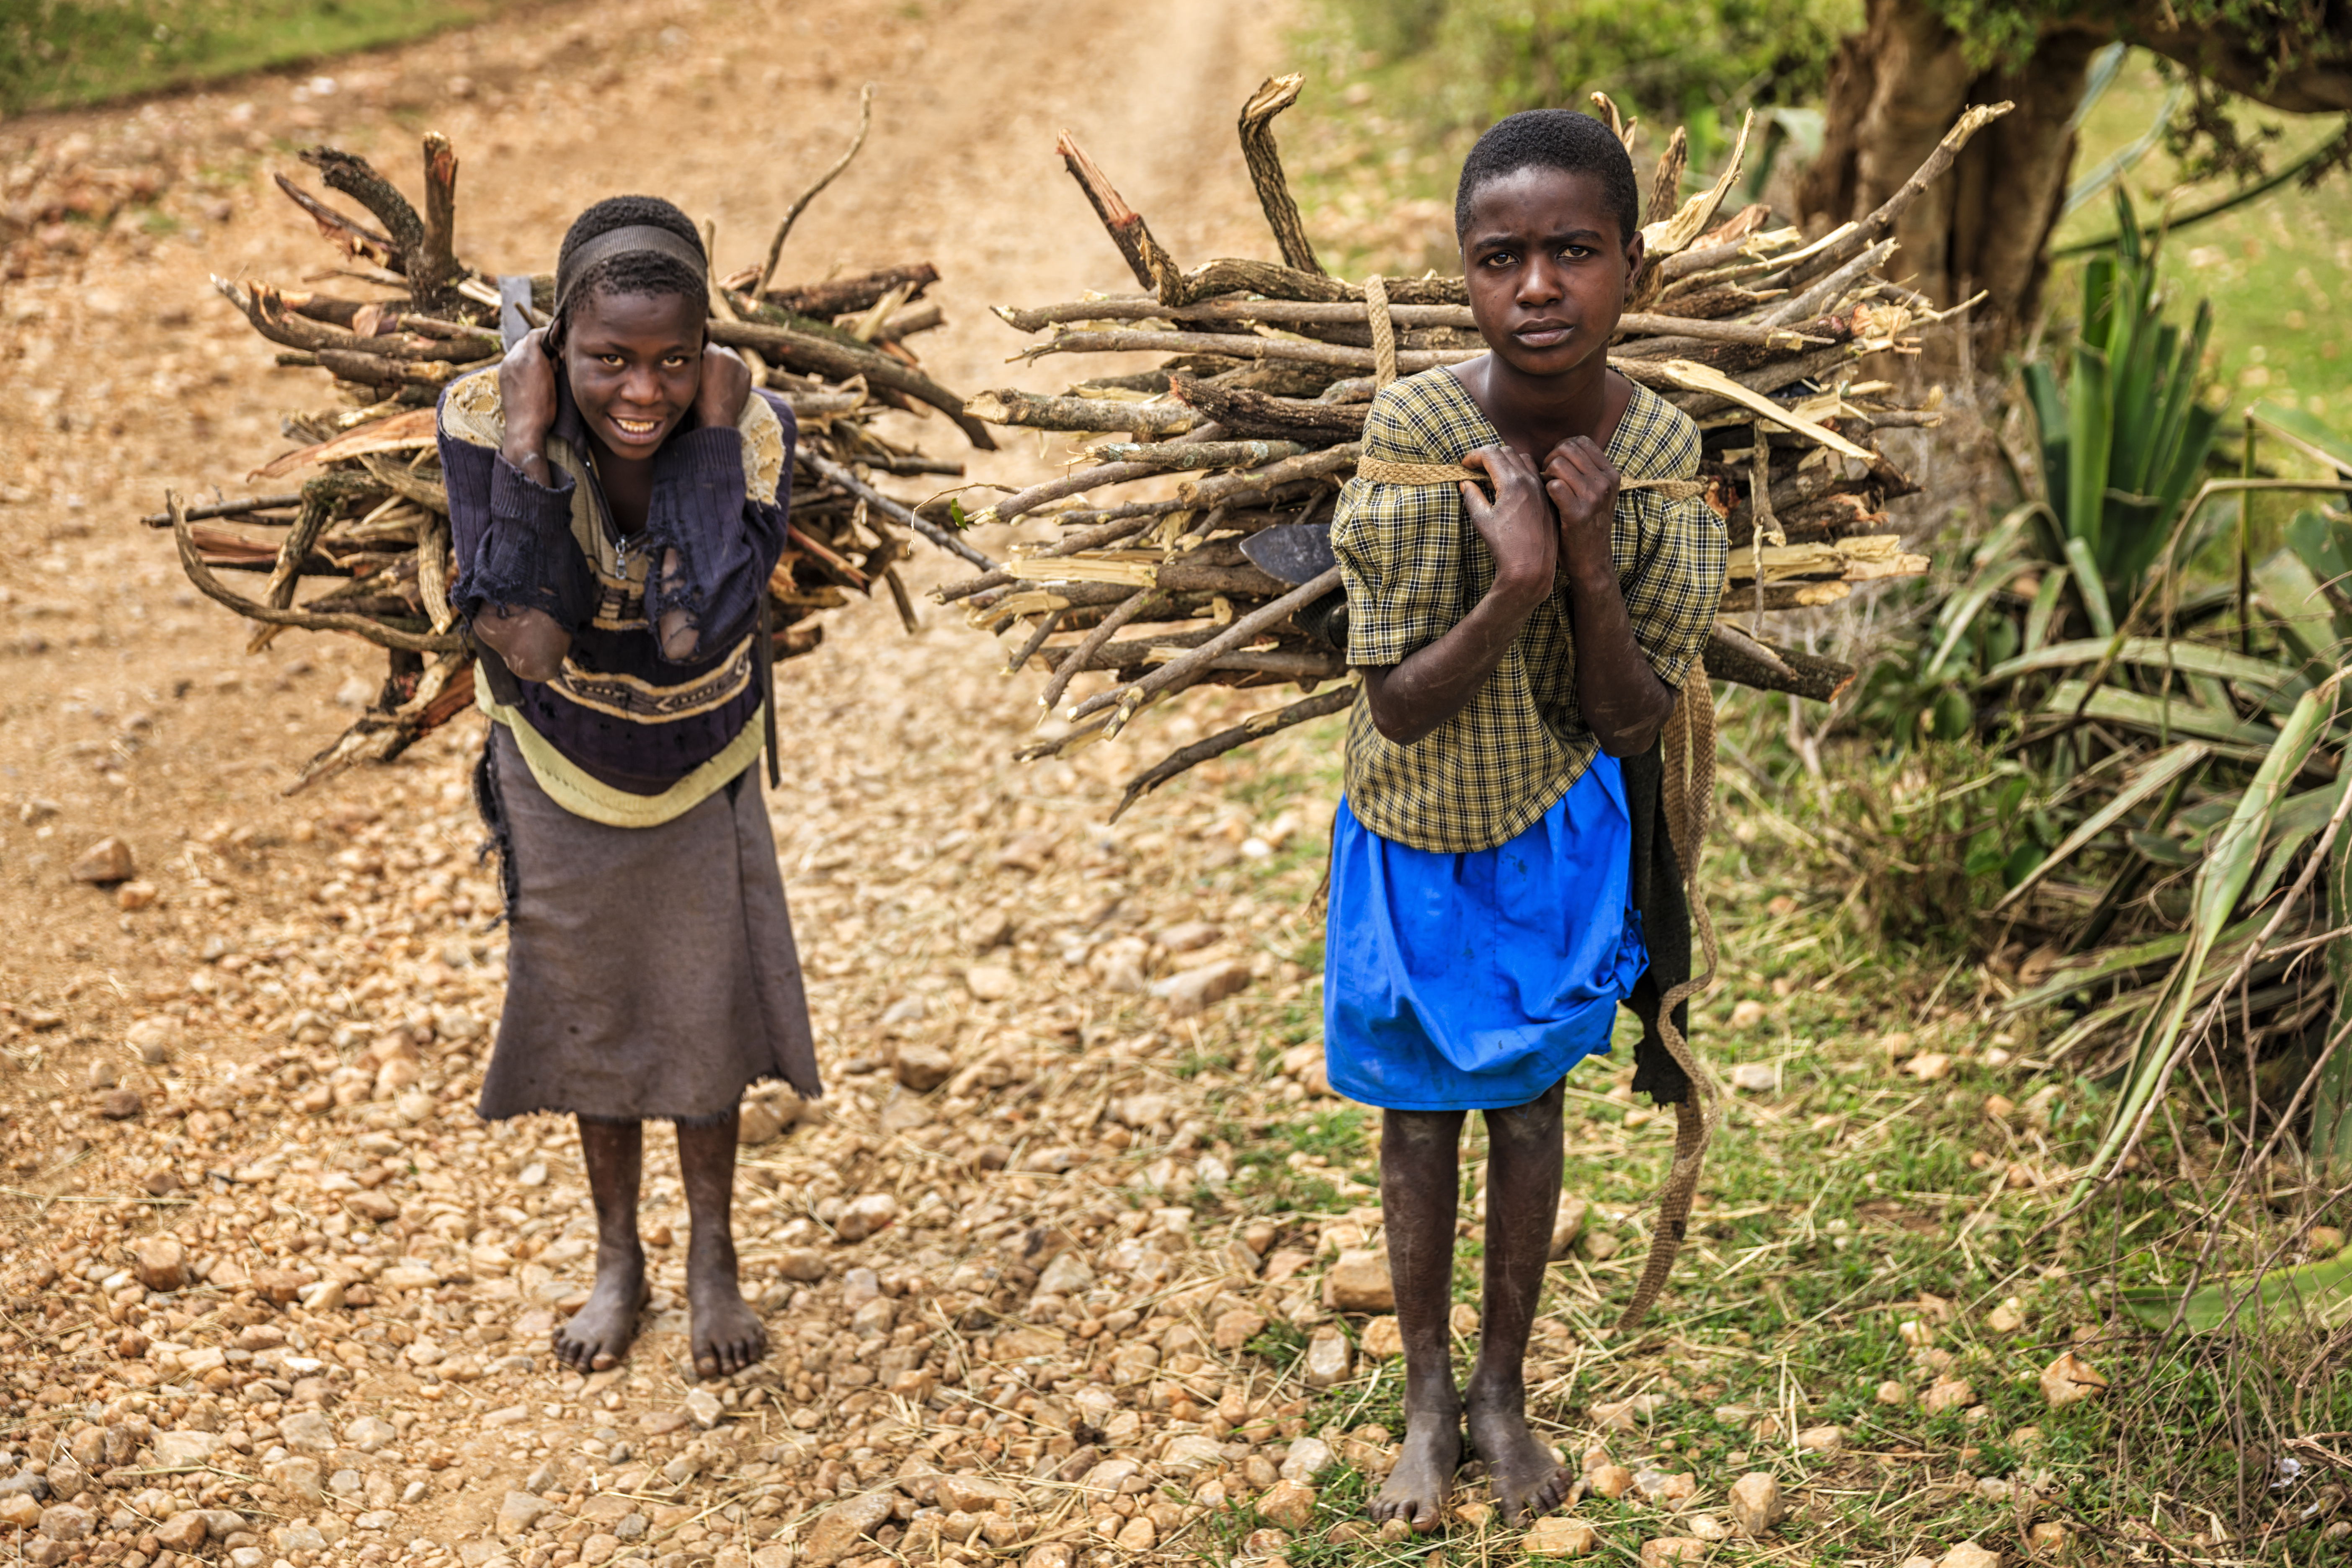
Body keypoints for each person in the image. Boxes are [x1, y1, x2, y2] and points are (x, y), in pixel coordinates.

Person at [1324, 110, 1727, 1528]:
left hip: (1563, 834)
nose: (1539, 288)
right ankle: (1428, 1399)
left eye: (1574, 253)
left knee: (1532, 1104)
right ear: (1466, 276)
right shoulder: (1418, 433)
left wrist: (1593, 570)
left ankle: (1504, 1389)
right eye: (1503, 259)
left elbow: (1630, 724)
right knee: (1418, 1124)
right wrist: (1510, 585)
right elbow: (1396, 707)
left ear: (1633, 266)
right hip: (1410, 829)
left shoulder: (1666, 457)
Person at [435, 195, 821, 1382]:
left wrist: (709, 442)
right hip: (556, 759)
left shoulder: (754, 431)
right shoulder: (478, 414)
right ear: (556, 350)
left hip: (698, 756)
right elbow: (532, 642)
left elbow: (691, 630)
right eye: (608, 360)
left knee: (702, 1007)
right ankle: (619, 1261)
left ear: (709, 356)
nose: (642, 392)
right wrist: (521, 445)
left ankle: (714, 1258)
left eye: (672, 362)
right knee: (596, 1009)